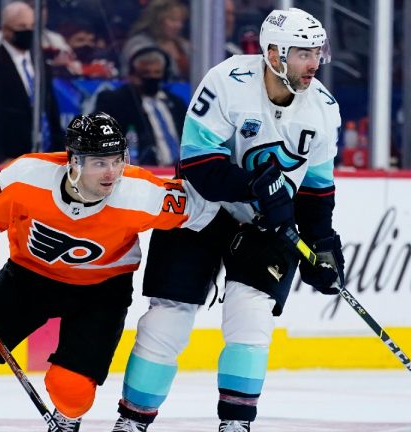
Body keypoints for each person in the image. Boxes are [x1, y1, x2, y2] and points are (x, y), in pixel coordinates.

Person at [0, 112, 219, 432]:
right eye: (100, 162)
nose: (112, 173)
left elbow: (202, 208)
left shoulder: (141, 193)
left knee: (69, 387)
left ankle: (68, 418)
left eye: (117, 161)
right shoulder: (27, 176)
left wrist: (246, 223)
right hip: (27, 278)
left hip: (102, 291)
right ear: (73, 162)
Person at [112, 8, 343, 432]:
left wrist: (323, 244)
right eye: (303, 53)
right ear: (274, 54)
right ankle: (132, 421)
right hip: (200, 209)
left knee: (251, 316)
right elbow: (199, 163)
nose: (314, 63)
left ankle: (236, 424)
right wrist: (258, 187)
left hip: (266, 224)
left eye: (317, 52)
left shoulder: (324, 110)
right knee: (169, 314)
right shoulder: (226, 82)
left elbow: (316, 191)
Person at [0, 1, 64, 164]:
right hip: (5, 162)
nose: (28, 31)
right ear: (6, 30)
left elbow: (52, 113)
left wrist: (59, 155)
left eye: (32, 26)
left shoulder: (41, 65)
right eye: (22, 27)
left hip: (45, 161)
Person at [94, 47, 186, 166]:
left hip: (179, 172)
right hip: (141, 171)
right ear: (133, 74)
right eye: (146, 73)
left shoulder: (176, 103)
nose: (152, 77)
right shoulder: (115, 100)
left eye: (157, 73)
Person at [120, 0, 190, 80]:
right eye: (173, 20)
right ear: (158, 20)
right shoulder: (138, 44)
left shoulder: (184, 46)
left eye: (181, 21)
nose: (179, 25)